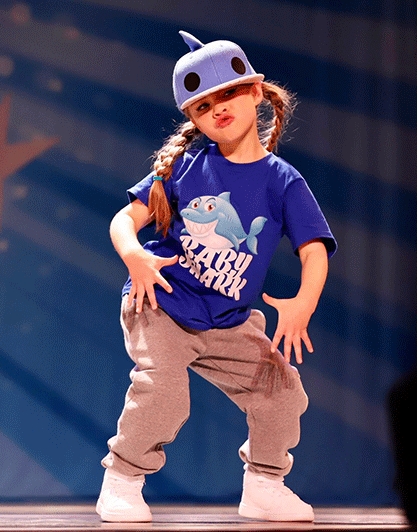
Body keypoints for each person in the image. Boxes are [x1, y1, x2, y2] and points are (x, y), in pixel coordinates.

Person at [96, 31, 337, 523]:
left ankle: (265, 485)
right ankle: (121, 478)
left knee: (283, 393)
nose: (218, 108)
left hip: (229, 320)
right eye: (203, 105)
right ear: (192, 119)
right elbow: (125, 220)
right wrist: (134, 257)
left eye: (228, 93)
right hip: (163, 304)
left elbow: (314, 251)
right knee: (164, 395)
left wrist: (303, 303)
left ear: (254, 92)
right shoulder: (186, 166)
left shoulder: (283, 180)